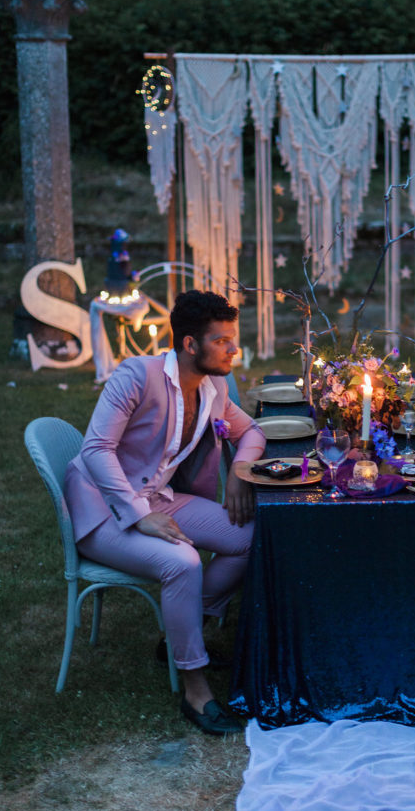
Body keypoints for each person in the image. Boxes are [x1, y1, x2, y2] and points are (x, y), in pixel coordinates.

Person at [64, 290, 266, 733]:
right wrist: (138, 514)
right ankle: (196, 693)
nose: (234, 349)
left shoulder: (213, 387)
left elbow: (249, 431)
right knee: (182, 561)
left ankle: (182, 630)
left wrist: (240, 472)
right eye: (223, 341)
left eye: (234, 339)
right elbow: (96, 448)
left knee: (255, 536)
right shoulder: (136, 374)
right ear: (190, 345)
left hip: (158, 495)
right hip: (103, 508)